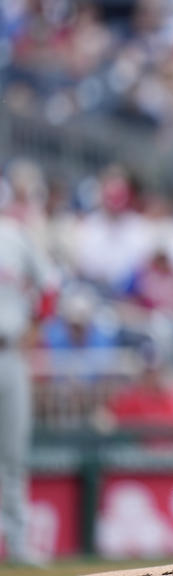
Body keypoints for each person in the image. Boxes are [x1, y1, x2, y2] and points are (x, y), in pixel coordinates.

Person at [0, 202, 57, 566]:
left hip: (9, 351)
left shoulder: (14, 235)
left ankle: (18, 543)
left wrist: (33, 330)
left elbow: (50, 287)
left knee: (13, 454)